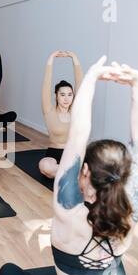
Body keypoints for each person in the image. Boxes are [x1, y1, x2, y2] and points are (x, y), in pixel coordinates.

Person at [0, 57, 138, 275]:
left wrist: (91, 77)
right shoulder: (131, 215)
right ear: (126, 176)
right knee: (116, 269)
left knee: (8, 272)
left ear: (84, 171)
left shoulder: (67, 210)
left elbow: (78, 133)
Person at [39, 51, 83, 179]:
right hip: (54, 154)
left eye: (70, 94)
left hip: (73, 154)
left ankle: (67, 174)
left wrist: (74, 57)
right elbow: (46, 84)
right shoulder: (49, 111)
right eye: (62, 94)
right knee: (44, 166)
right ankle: (76, 175)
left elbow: (80, 83)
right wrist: (51, 59)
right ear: (56, 96)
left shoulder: (75, 111)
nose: (66, 98)